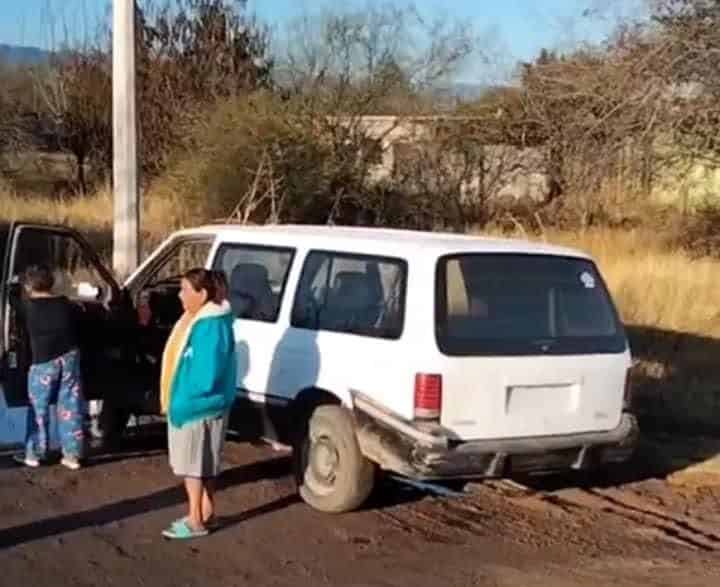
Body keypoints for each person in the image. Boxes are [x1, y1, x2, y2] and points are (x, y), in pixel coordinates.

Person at [159, 268, 237, 540]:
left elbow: (206, 375)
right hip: (206, 405)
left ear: (202, 294)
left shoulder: (208, 326)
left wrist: (182, 398)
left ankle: (195, 520)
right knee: (204, 464)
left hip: (196, 407)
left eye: (184, 290)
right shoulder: (207, 319)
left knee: (193, 467)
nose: (180, 295)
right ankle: (206, 512)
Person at [14, 265, 85, 470]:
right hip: (69, 357)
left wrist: (12, 286)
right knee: (70, 406)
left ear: (28, 286)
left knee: (39, 408)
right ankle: (72, 455)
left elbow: (12, 302)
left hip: (43, 362)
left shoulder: (28, 306)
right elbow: (81, 319)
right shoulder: (65, 303)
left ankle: (35, 453)